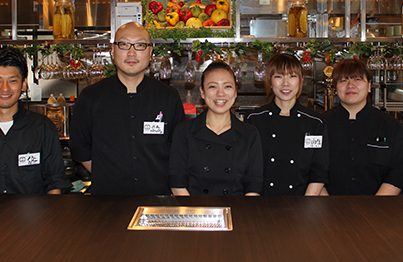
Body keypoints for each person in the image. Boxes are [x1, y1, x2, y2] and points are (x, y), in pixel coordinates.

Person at [70, 22, 185, 195]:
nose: (131, 52)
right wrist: (109, 176)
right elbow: (81, 149)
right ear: (113, 50)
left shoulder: (168, 97)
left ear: (150, 52)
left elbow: (179, 150)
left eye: (140, 45)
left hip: (158, 199)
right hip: (106, 201)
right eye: (124, 44)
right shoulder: (90, 97)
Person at [0, 46, 71, 194]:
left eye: (12, 81)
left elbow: (55, 182)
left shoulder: (42, 127)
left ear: (23, 84)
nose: (5, 88)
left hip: (33, 216)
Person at [169, 61, 263, 196]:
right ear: (202, 92)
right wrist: (197, 215)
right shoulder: (184, 131)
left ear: (236, 92)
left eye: (227, 86)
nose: (220, 93)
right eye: (213, 86)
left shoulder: (250, 134)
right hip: (195, 212)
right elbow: (177, 183)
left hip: (237, 211)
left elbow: (253, 187)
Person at [245, 53, 329, 196]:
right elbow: (248, 168)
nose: (285, 83)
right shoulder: (254, 120)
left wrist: (307, 204)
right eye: (278, 76)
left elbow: (319, 169)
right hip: (262, 201)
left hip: (302, 201)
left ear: (301, 80)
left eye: (292, 76)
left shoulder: (315, 123)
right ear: (270, 81)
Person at [322, 59, 403, 195]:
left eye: (357, 79)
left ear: (369, 86)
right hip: (329, 208)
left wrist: (376, 207)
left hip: (380, 208)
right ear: (335, 88)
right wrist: (328, 206)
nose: (350, 85)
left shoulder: (390, 125)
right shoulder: (320, 125)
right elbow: (310, 168)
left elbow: (399, 169)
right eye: (343, 80)